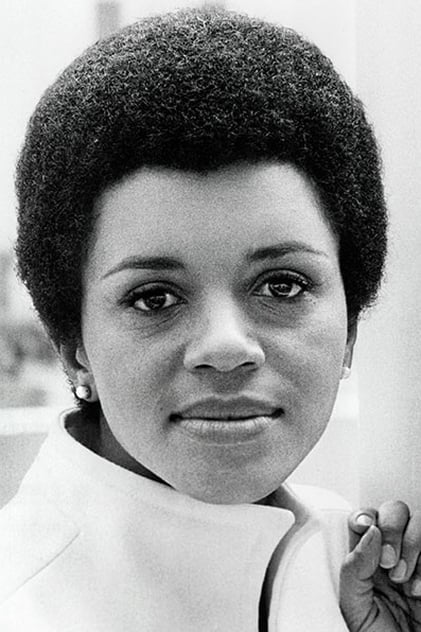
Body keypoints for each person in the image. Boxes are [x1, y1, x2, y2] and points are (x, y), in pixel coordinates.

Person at [2, 6, 420, 631]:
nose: (226, 347)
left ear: (351, 327)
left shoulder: (360, 573)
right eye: (154, 298)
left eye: (282, 285)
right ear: (72, 346)